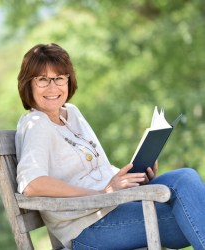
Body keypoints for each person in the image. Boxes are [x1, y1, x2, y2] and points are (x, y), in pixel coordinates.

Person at [15, 43, 205, 250]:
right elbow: (31, 184)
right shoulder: (35, 124)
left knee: (185, 177)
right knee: (193, 214)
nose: (53, 87)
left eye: (59, 78)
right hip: (89, 227)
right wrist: (103, 194)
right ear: (28, 84)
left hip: (115, 204)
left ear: (68, 81)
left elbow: (99, 169)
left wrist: (132, 178)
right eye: (43, 80)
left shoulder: (72, 113)